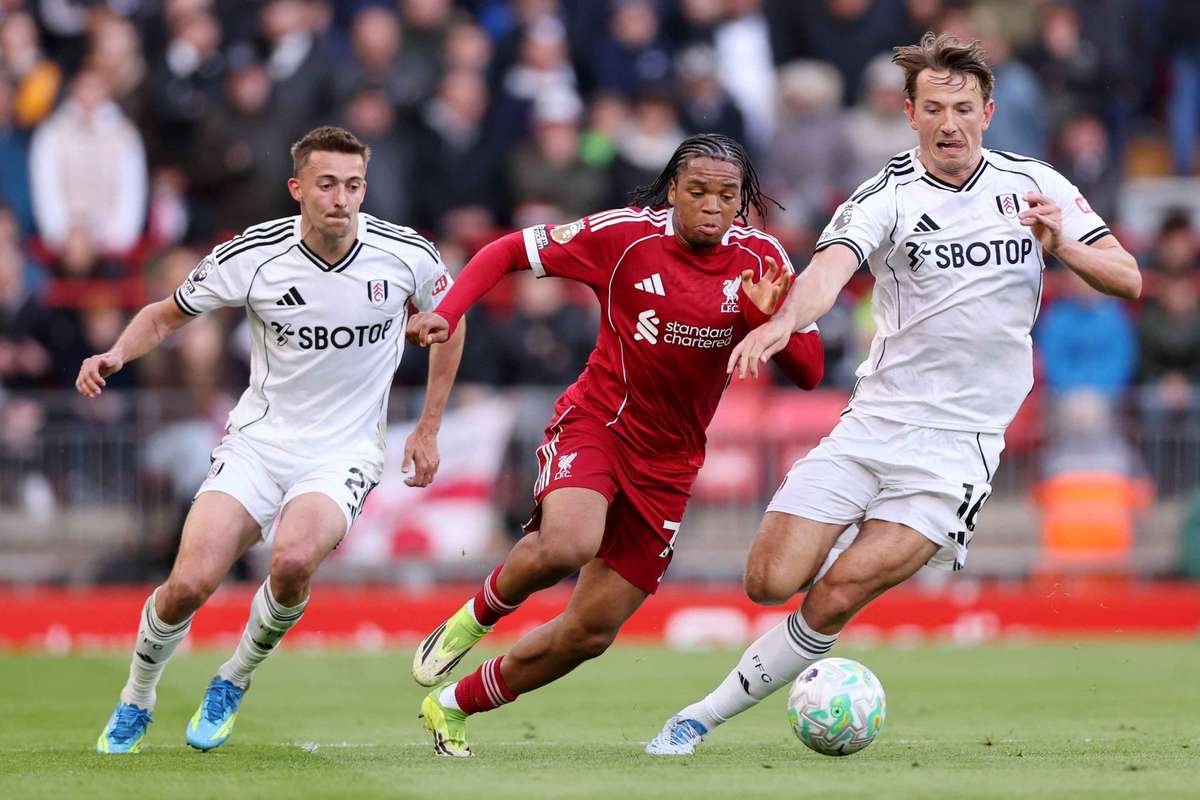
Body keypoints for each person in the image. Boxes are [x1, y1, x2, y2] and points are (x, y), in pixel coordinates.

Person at [645, 32, 1140, 756]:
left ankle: (696, 718)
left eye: (963, 108)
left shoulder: (1037, 185)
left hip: (959, 447)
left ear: (988, 112)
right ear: (909, 113)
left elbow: (1126, 276)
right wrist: (785, 321)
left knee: (837, 594)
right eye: (934, 107)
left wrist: (1059, 242)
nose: (949, 123)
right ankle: (851, 523)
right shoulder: (886, 194)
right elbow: (829, 270)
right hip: (873, 424)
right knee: (766, 580)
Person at [404, 133, 825, 757]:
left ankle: (453, 706)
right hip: (599, 422)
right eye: (699, 191)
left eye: (727, 196)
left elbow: (810, 372)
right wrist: (449, 308)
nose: (713, 206)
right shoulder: (624, 238)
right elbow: (505, 252)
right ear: (672, 191)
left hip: (670, 464)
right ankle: (474, 619)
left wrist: (771, 321)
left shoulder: (761, 261)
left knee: (590, 632)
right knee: (571, 541)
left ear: (742, 202)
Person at [81, 126, 465, 754]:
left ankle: (233, 679)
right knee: (189, 584)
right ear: (298, 190)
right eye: (327, 185)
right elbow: (165, 313)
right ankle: (137, 696)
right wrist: (116, 353)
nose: (342, 199)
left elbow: (454, 320)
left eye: (354, 184)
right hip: (258, 444)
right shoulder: (253, 255)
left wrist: (427, 426)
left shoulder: (407, 255)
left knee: (290, 564)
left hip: (342, 452)